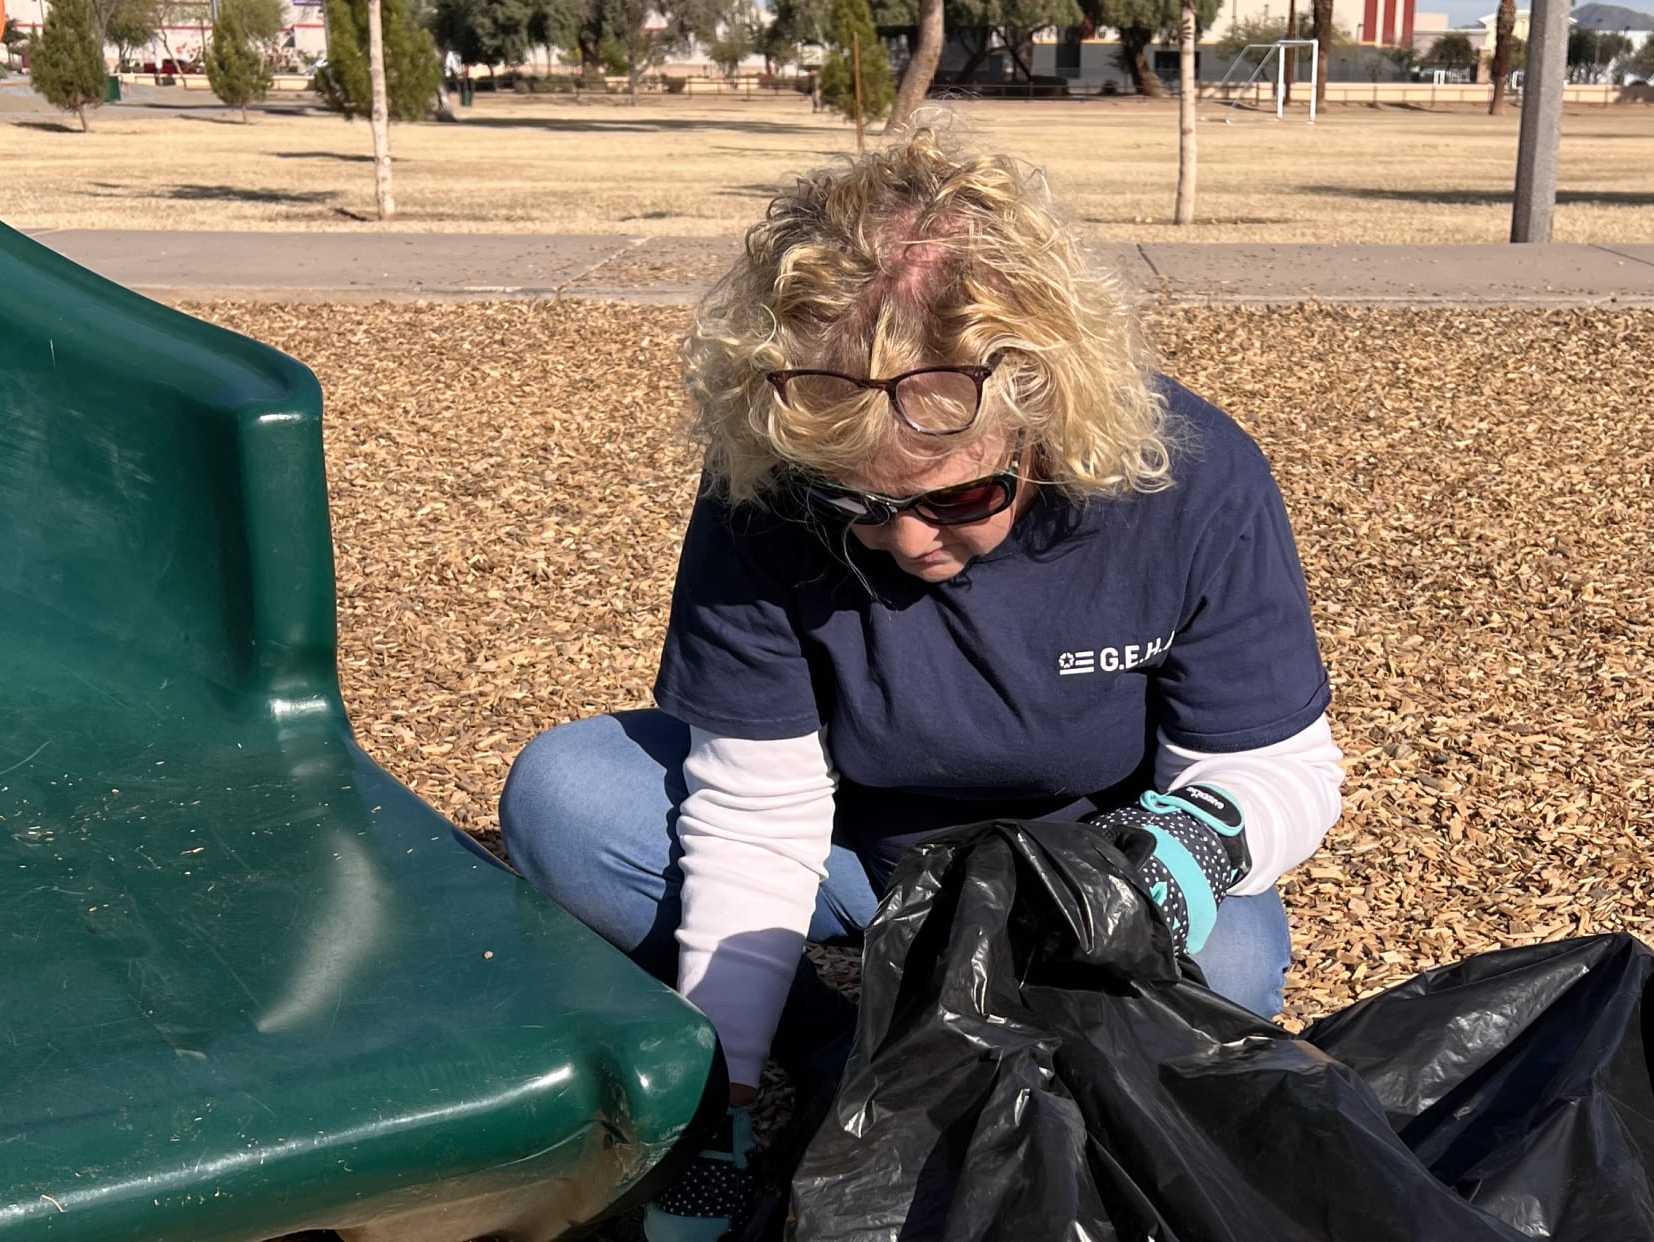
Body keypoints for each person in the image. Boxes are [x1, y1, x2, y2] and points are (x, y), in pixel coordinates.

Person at [497, 124, 1344, 1240]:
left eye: (955, 500)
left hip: (1080, 860)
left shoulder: (1194, 476)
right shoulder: (766, 480)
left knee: (1232, 958)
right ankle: (833, 1047)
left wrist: (1172, 857)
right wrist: (720, 1104)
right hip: (855, 846)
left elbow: (1273, 766)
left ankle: (990, 1059)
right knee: (566, 798)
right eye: (857, 503)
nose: (907, 543)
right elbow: (758, 816)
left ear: (1052, 408)